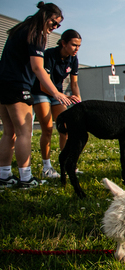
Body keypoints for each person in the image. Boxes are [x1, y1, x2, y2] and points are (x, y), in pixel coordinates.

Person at [0, 2, 72, 188]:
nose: (54, 28)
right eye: (54, 23)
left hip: (4, 85)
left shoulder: (19, 29)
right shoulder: (36, 33)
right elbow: (37, 67)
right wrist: (56, 92)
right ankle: (26, 178)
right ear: (46, 17)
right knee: (24, 133)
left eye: (58, 26)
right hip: (18, 87)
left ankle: (4, 176)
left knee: (9, 133)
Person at [31, 29, 82, 178]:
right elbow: (42, 84)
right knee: (47, 129)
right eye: (74, 45)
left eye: (79, 46)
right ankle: (47, 167)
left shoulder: (73, 59)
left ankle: (67, 164)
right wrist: (59, 95)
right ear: (63, 43)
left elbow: (74, 83)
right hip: (41, 92)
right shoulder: (49, 55)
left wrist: (78, 99)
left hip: (58, 95)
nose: (76, 49)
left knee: (65, 128)